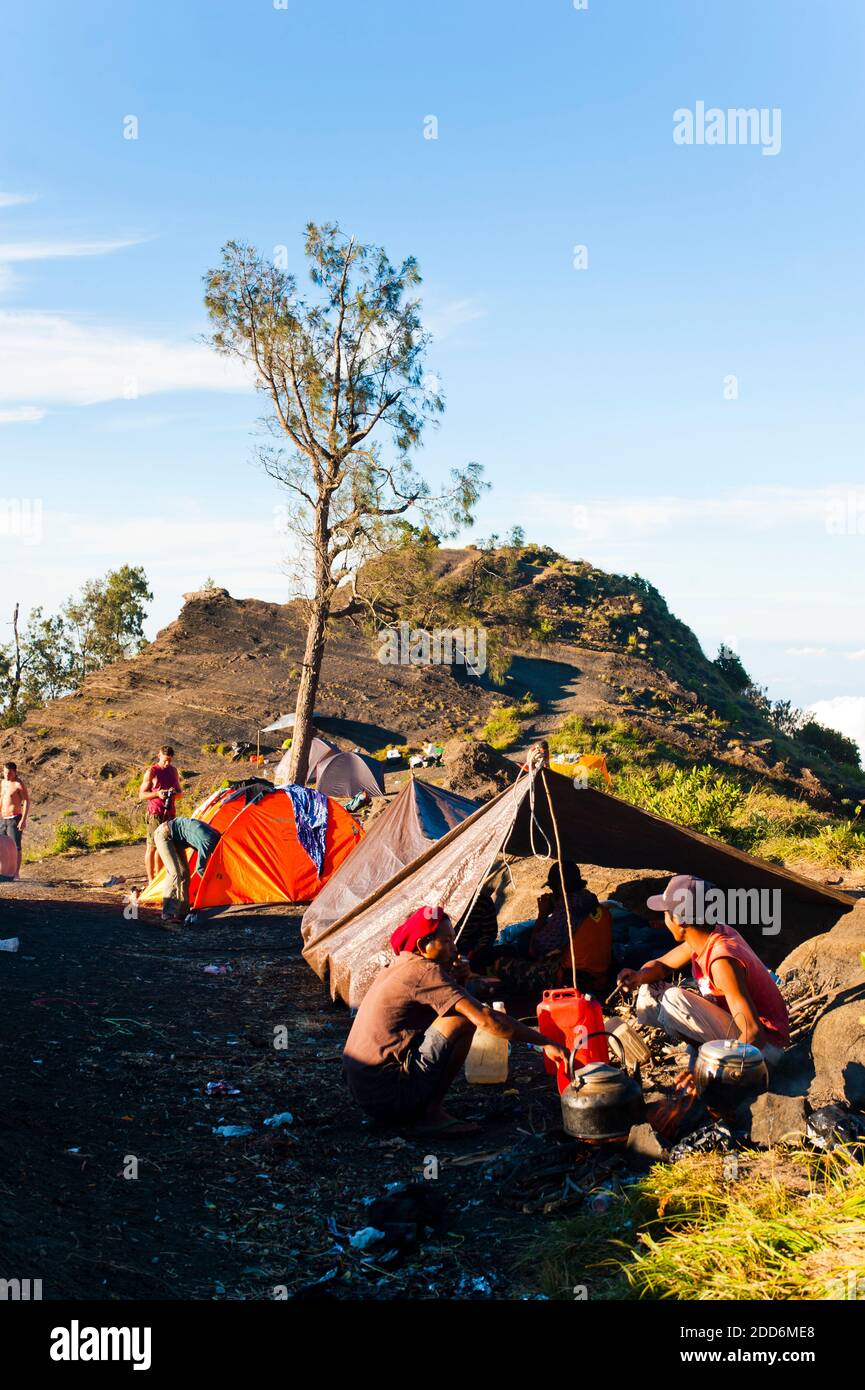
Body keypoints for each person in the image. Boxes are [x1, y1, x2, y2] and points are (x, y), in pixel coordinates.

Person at [342, 906, 569, 1134]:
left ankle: (422, 1109)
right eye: (447, 941)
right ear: (423, 946)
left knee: (456, 1016)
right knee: (463, 1021)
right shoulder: (424, 972)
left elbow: (442, 1004)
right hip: (391, 1098)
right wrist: (544, 1041)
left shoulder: (401, 964)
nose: (454, 947)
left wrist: (460, 978)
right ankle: (430, 1114)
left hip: (368, 1095)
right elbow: (485, 1018)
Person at [617, 875, 790, 1082]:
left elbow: (753, 1032)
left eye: (665, 913)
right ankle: (701, 1053)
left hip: (762, 1052)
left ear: (680, 921)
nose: (663, 918)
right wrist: (637, 977)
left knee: (673, 1000)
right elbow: (662, 966)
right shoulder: (704, 934)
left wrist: (712, 1071)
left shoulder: (721, 961)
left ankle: (708, 1064)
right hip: (741, 1035)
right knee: (648, 989)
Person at [472, 861, 613, 999]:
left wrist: (543, 914)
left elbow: (535, 950)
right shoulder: (594, 905)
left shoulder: (568, 909)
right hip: (600, 977)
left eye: (552, 889)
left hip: (571, 980)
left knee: (501, 965)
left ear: (558, 887)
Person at [152, 815, 221, 923]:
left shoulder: (216, 837)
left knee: (184, 873)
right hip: (164, 834)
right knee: (175, 872)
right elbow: (200, 868)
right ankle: (168, 913)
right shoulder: (208, 841)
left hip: (176, 839)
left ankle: (182, 912)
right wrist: (215, 885)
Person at [138, 746, 182, 883]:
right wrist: (157, 794)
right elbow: (141, 795)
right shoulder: (152, 771)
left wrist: (174, 793)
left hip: (170, 813)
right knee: (152, 847)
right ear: (159, 756)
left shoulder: (173, 771)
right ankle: (151, 880)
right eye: (165, 760)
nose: (167, 763)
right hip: (155, 813)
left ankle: (159, 878)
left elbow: (180, 794)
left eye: (169, 760)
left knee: (164, 846)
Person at [0, 761, 29, 878]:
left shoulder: (18, 784)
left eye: (10, 773)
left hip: (14, 818)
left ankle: (16, 873)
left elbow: (26, 800)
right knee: (2, 845)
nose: (7, 775)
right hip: (3, 818)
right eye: (5, 773)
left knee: (15, 846)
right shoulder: (3, 782)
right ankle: (4, 872)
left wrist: (23, 819)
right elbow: (2, 798)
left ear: (15, 772)